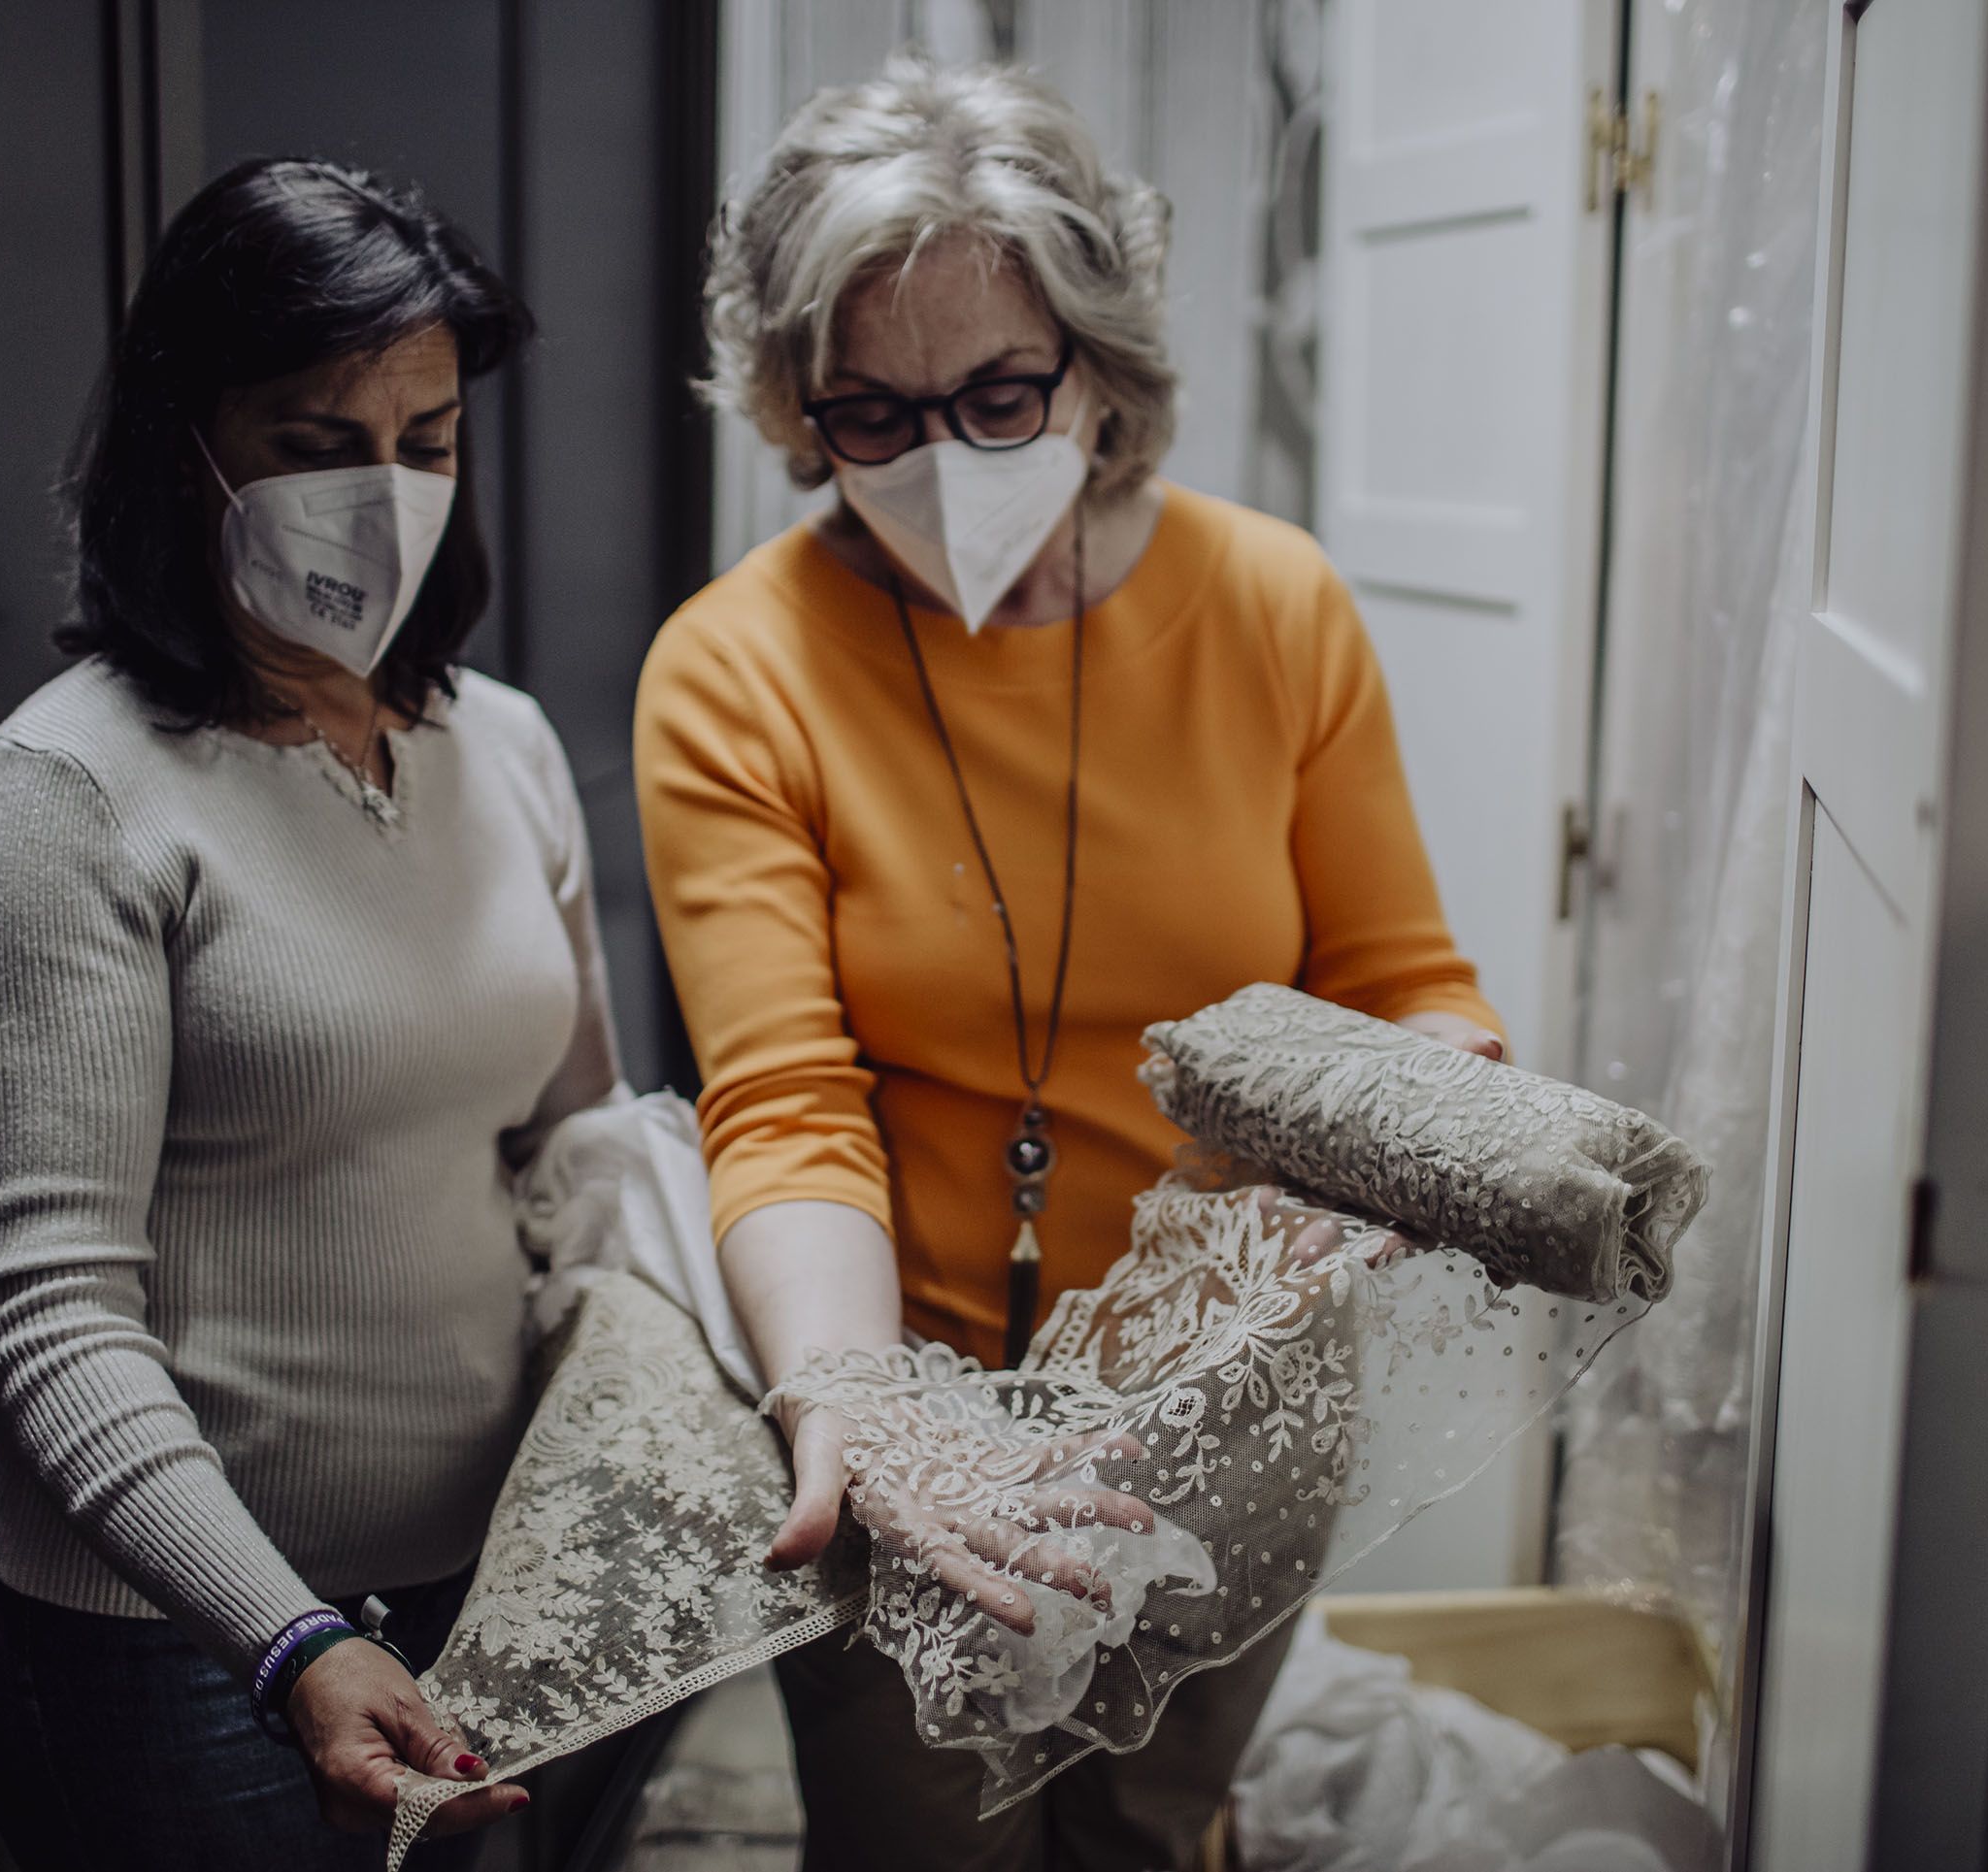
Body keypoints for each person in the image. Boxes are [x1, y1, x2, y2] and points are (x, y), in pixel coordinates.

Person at [634, 55, 1506, 1872]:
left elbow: (1401, 978)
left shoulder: (1273, 608)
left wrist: (1437, 1114)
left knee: (1148, 1834)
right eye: (871, 412)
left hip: (1243, 1396)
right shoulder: (737, 669)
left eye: (999, 394)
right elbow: (786, 1105)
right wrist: (865, 1406)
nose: (941, 456)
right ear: (801, 412)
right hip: (925, 1417)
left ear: (1099, 373)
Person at [0, 158, 636, 1870]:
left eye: (428, 440)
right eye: (318, 443)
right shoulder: (64, 799)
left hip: (487, 1575)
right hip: (175, 1641)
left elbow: (577, 1129)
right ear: (192, 441)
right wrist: (290, 1635)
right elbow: (51, 1318)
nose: (382, 494)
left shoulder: (507, 747)